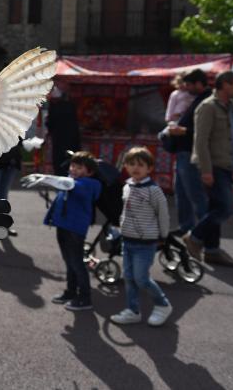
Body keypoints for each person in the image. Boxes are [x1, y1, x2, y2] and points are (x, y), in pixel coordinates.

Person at [184, 70, 233, 267]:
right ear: (225, 85)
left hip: (227, 164)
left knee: (215, 207)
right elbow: (201, 141)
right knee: (225, 208)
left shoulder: (231, 107)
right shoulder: (208, 107)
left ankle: (212, 250)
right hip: (213, 166)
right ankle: (194, 237)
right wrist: (206, 170)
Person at [110, 147, 173, 327]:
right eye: (131, 164)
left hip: (145, 243)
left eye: (140, 165)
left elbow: (163, 214)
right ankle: (133, 310)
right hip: (127, 240)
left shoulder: (154, 190)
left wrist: (163, 235)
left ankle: (162, 304)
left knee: (141, 278)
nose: (135, 168)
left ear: (149, 168)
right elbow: (126, 211)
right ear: (126, 166)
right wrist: (120, 229)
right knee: (129, 278)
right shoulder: (127, 186)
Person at [38, 151, 102, 311]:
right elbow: (59, 201)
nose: (73, 169)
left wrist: (51, 180)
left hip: (75, 229)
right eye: (73, 165)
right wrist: (50, 218)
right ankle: (71, 291)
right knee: (69, 261)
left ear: (90, 172)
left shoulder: (89, 184)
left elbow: (74, 187)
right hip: (63, 226)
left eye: (79, 167)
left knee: (76, 262)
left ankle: (85, 297)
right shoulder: (69, 181)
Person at [168, 68, 211, 234]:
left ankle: (204, 231)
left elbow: (205, 130)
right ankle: (187, 226)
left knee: (195, 193)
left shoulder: (206, 100)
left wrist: (184, 131)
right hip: (182, 150)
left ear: (198, 84)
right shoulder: (197, 98)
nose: (186, 88)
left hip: (191, 152)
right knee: (181, 192)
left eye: (189, 85)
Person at [45, 85, 81, 176]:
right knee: (71, 161)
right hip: (72, 139)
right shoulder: (71, 106)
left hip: (58, 139)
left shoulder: (54, 107)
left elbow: (49, 123)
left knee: (59, 163)